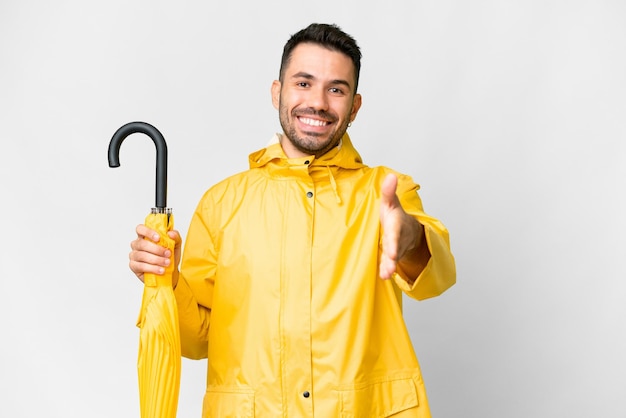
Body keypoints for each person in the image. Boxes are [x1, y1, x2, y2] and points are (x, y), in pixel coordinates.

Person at [129, 23, 456, 418]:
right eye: (303, 83)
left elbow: (438, 275)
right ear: (277, 92)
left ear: (354, 107)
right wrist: (168, 281)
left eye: (336, 89)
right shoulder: (222, 203)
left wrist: (409, 241)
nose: (318, 102)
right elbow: (196, 340)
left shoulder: (386, 192)